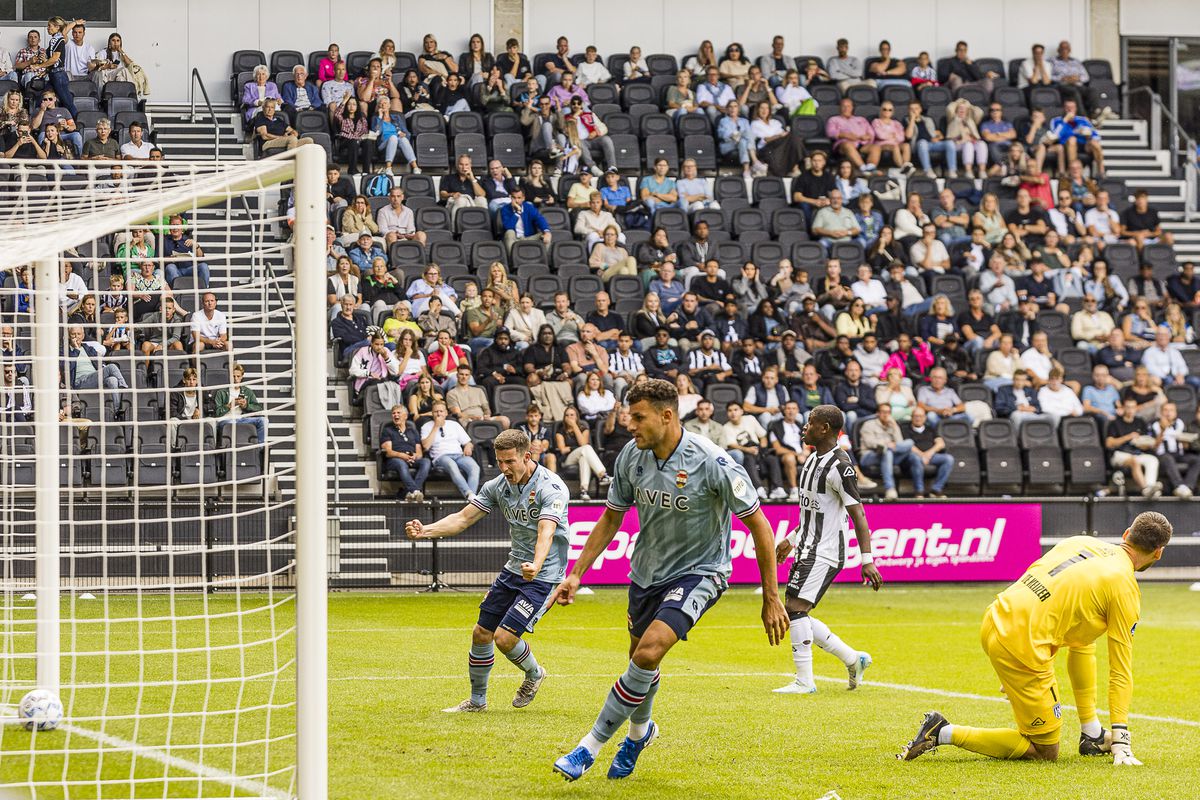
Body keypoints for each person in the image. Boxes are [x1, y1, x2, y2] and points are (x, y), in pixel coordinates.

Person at [551, 379, 787, 781]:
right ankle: (640, 734)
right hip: (647, 574)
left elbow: (759, 525)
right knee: (639, 661)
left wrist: (771, 595)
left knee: (649, 652)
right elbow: (611, 517)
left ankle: (587, 747)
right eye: (629, 416)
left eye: (638, 417)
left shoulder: (713, 461)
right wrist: (575, 573)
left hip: (701, 572)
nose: (630, 425)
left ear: (667, 415)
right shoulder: (631, 456)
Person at [900, 511, 1172, 767]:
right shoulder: (1124, 587)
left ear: (1126, 534)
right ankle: (942, 731)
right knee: (1045, 751)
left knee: (1084, 637)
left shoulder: (1081, 541)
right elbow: (1120, 669)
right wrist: (1121, 738)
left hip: (996, 616)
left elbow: (1069, 628)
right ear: (1158, 553)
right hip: (1021, 646)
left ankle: (1091, 734)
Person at [406, 428, 566, 712]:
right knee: (481, 633)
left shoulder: (550, 487)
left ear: (526, 456)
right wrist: (425, 531)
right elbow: (463, 518)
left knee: (505, 638)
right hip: (514, 568)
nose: (503, 468)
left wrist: (537, 564)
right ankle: (477, 702)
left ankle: (534, 673)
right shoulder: (498, 486)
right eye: (499, 462)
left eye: (509, 462)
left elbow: (547, 530)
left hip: (543, 575)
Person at [773, 403, 882, 694]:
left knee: (795, 609)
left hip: (825, 550)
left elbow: (857, 513)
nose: (804, 427)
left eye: (810, 423)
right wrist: (791, 540)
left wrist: (867, 560)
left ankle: (805, 681)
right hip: (807, 545)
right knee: (796, 610)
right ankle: (852, 659)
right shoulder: (811, 460)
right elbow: (813, 512)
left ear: (825, 429)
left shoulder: (840, 466)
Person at [420, 401, 480, 499]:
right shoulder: (426, 426)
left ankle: (471, 498)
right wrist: (436, 427)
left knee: (475, 468)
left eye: (441, 411)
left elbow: (468, 442)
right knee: (452, 466)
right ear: (432, 413)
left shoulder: (454, 424)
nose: (439, 414)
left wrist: (468, 447)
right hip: (441, 457)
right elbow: (426, 446)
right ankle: (469, 493)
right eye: (436, 412)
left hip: (459, 455)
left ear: (446, 413)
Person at [902, 406, 955, 498]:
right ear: (911, 417)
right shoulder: (905, 429)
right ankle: (919, 491)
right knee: (914, 458)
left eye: (920, 416)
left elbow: (940, 443)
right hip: (913, 457)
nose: (918, 418)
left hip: (930, 456)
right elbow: (908, 446)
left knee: (948, 459)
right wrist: (921, 455)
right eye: (916, 416)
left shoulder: (930, 429)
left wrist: (928, 454)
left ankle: (936, 490)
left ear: (925, 418)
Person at [214, 363, 266, 444]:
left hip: (241, 419)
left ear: (242, 377)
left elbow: (258, 408)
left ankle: (259, 449)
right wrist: (230, 405)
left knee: (263, 420)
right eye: (233, 376)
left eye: (238, 376)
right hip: (226, 420)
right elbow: (217, 413)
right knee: (232, 423)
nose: (235, 379)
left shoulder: (247, 391)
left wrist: (246, 406)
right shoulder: (221, 392)